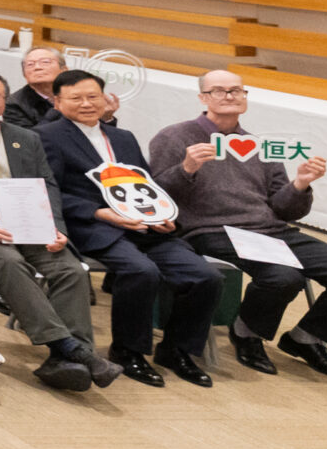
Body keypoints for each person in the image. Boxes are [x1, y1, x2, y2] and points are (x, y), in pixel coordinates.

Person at [152, 70, 327, 380]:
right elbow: (156, 196)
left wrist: (300, 184)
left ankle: (305, 338)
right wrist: (187, 167)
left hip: (271, 230)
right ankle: (246, 332)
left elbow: (284, 209)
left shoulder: (259, 145)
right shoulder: (174, 137)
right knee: (282, 277)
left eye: (237, 90)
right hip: (211, 230)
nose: (230, 96)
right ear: (203, 98)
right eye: (219, 91)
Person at [0, 70, 117, 391]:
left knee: (70, 268)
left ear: (5, 101)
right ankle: (69, 348)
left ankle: (68, 360)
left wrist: (54, 229)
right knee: (9, 262)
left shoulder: (26, 138)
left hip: (26, 223)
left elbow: (48, 186)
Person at [37, 70, 223, 388]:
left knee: (206, 276)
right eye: (76, 98)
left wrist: (163, 215)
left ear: (106, 98)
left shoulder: (123, 138)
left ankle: (176, 350)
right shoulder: (44, 135)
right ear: (57, 102)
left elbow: (146, 184)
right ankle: (127, 351)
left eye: (93, 96)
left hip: (144, 225)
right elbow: (47, 190)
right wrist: (103, 213)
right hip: (93, 226)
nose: (86, 103)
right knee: (141, 271)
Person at [5, 46, 67, 128]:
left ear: (64, 70)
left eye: (45, 62)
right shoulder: (14, 105)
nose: (37, 67)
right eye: (30, 64)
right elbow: (27, 138)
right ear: (24, 74)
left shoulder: (78, 92)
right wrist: (55, 112)